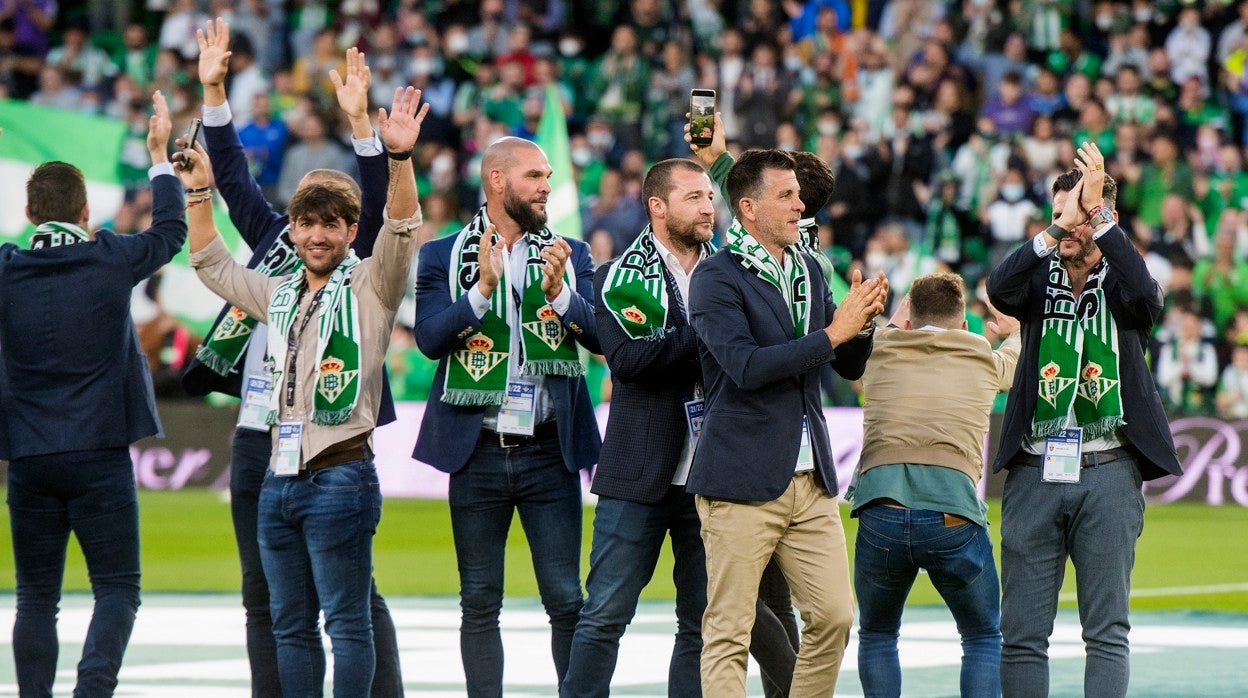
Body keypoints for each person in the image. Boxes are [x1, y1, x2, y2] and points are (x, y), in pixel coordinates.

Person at [179, 19, 405, 697]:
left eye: (329, 220)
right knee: (268, 599)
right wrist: (213, 94)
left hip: (335, 443)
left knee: (351, 601)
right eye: (304, 218)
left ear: (345, 227)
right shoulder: (273, 255)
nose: (311, 231)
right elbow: (231, 182)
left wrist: (366, 129)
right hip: (261, 440)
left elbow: (385, 218)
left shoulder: (361, 267)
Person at [0, 91, 186, 697]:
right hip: (100, 453)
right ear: (85, 211)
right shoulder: (110, 256)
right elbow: (171, 231)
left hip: (28, 457)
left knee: (35, 597)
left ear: (30, 211)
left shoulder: (6, 269)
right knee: (116, 588)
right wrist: (159, 159)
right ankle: (91, 693)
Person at [686, 148, 886, 697]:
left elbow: (845, 363)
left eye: (799, 194)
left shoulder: (808, 269)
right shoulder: (715, 278)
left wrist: (862, 324)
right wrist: (833, 333)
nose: (802, 204)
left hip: (810, 477)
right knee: (729, 631)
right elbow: (746, 368)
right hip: (740, 478)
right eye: (788, 195)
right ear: (748, 208)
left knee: (835, 619)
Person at [986, 143, 1183, 697]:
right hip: (1033, 467)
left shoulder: (1123, 286)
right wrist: (1054, 231)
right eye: (1058, 215)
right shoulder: (1034, 282)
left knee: (1106, 632)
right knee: (1022, 634)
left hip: (1110, 469)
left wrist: (1098, 220)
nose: (1067, 226)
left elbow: (1148, 294)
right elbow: (996, 288)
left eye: (1079, 214)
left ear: (1104, 216)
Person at [412, 136, 600, 697]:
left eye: (547, 176)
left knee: (567, 599)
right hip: (478, 450)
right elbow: (427, 340)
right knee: (478, 601)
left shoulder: (571, 252)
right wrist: (480, 293)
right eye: (535, 176)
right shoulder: (442, 255)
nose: (547, 186)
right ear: (497, 181)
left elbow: (600, 336)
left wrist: (560, 293)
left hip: (549, 448)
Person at [560, 158, 716, 697]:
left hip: (715, 476)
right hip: (638, 471)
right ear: (657, 206)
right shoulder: (617, 276)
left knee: (701, 628)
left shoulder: (733, 269)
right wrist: (714, 337)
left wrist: (685, 343)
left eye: (710, 196)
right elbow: (628, 360)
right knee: (604, 615)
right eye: (694, 196)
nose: (708, 206)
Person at [847, 274, 1021, 698]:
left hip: (880, 506)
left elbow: (873, 341)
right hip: (952, 513)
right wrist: (1016, 333)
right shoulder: (979, 351)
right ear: (964, 326)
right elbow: (1015, 366)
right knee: (981, 637)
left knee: (877, 633)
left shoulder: (881, 349)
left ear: (907, 320)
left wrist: (892, 323)